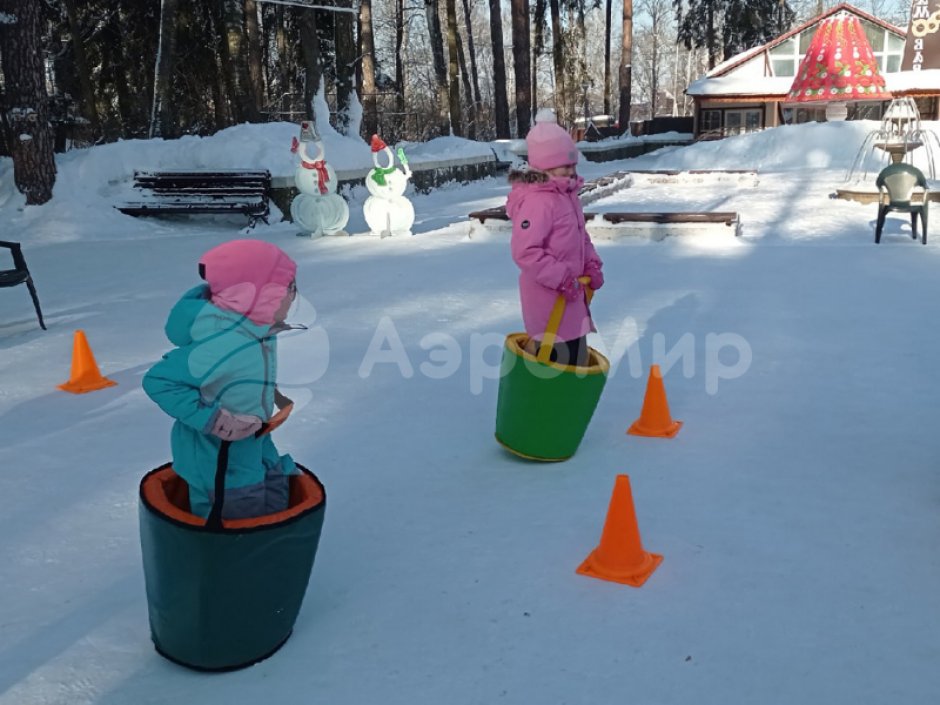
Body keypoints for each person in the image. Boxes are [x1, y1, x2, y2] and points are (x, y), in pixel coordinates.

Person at [143, 239, 299, 520]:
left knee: (274, 500)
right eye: (288, 287)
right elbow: (159, 381)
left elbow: (236, 374)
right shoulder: (225, 342)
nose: (294, 295)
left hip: (254, 444)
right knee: (240, 526)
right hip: (221, 464)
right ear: (259, 295)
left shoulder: (257, 329)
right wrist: (215, 420)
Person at [506, 108, 604, 367]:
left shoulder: (566, 196)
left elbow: (580, 238)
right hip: (549, 301)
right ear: (546, 166)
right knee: (553, 366)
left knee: (577, 361)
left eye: (573, 164)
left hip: (573, 297)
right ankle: (545, 407)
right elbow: (526, 252)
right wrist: (562, 278)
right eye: (565, 166)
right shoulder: (539, 202)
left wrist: (592, 265)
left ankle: (571, 408)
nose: (572, 171)